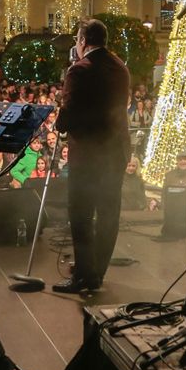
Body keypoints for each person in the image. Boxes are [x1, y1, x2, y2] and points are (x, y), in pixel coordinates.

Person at [53, 18, 131, 293]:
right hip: (116, 152)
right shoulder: (121, 67)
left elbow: (70, 115)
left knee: (82, 214)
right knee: (109, 214)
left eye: (77, 38)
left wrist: (59, 116)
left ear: (83, 41)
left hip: (89, 155)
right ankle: (96, 272)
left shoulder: (79, 70)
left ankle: (83, 277)